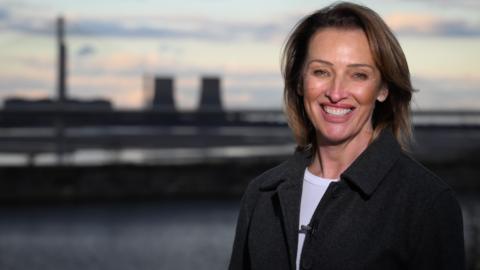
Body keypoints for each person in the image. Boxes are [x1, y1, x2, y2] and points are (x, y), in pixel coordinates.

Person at [228, 2, 465, 270]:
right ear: (299, 82)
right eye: (321, 72)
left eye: (358, 75)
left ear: (383, 89)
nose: (337, 92)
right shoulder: (262, 193)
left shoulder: (425, 202)